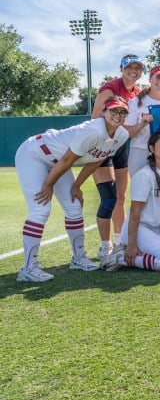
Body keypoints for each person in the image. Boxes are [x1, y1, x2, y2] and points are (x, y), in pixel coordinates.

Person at [15, 96, 130, 281]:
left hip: (57, 162)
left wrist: (76, 186)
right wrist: (48, 184)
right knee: (41, 209)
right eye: (113, 110)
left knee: (74, 206)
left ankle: (78, 258)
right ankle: (28, 268)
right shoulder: (94, 130)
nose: (118, 115)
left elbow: (96, 160)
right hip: (35, 154)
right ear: (103, 112)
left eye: (122, 112)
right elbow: (68, 159)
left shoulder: (121, 134)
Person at [102, 131, 160, 272]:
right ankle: (120, 257)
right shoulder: (144, 175)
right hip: (139, 229)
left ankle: (142, 251)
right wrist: (132, 244)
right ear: (151, 149)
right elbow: (134, 213)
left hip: (157, 229)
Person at [92, 54, 144, 260]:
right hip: (102, 145)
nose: (134, 71)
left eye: (138, 68)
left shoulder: (138, 92)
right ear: (122, 68)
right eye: (130, 67)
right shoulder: (110, 88)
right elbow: (97, 116)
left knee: (121, 197)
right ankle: (105, 245)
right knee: (109, 198)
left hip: (121, 146)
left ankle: (119, 240)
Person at [124, 64, 160, 177]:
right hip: (140, 152)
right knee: (140, 191)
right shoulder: (135, 102)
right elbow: (127, 133)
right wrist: (142, 124)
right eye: (158, 77)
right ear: (150, 79)